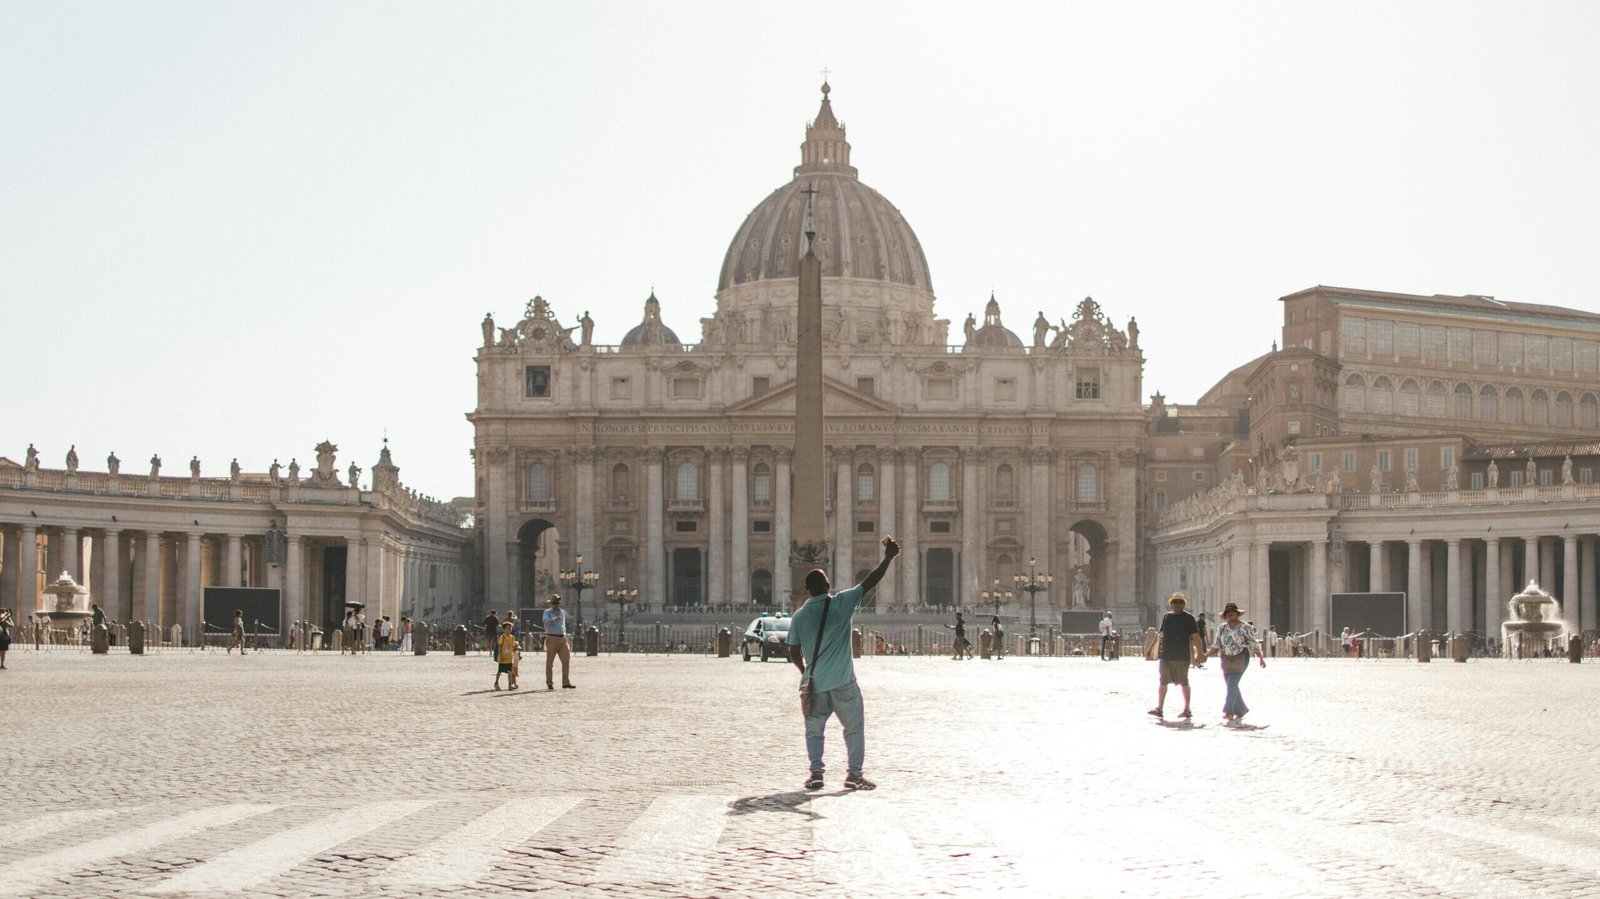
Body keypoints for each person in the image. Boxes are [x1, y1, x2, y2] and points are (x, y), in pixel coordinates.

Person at [787, 534, 900, 792]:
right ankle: (854, 775)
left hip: (814, 684)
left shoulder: (799, 616)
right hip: (842, 682)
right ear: (828, 586)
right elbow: (870, 581)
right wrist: (888, 558)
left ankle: (816, 774)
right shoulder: (842, 603)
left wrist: (805, 671)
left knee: (814, 732)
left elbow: (793, 650)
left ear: (807, 589)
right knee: (853, 728)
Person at [1207, 602, 1266, 724]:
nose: (1230, 614)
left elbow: (1252, 643)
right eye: (1227, 613)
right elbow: (1217, 645)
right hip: (1226, 659)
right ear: (1225, 615)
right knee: (1231, 685)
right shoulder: (1222, 628)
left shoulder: (1245, 627)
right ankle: (1241, 709)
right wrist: (1205, 656)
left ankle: (1228, 712)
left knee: (1232, 684)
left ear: (1237, 613)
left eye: (1232, 612)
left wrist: (1260, 658)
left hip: (1241, 658)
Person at [1149, 592, 1202, 720]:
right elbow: (1160, 634)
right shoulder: (1167, 617)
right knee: (1162, 681)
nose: (1177, 604)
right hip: (1166, 656)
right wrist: (1151, 649)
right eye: (1175, 602)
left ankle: (1187, 708)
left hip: (1182, 656)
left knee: (1184, 682)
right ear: (1171, 604)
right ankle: (1159, 708)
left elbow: (1195, 636)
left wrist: (1199, 653)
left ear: (1184, 604)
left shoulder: (1189, 618)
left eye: (1180, 602)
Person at [542, 595, 575, 689]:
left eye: (557, 603)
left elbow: (563, 625)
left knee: (566, 660)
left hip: (563, 638)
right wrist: (553, 619)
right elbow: (545, 621)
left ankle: (566, 682)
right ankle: (549, 683)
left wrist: (565, 634)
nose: (555, 605)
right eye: (554, 603)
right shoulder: (547, 612)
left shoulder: (562, 612)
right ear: (551, 604)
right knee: (550, 662)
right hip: (552, 638)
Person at [493, 620, 518, 690]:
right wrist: (500, 656)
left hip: (509, 658)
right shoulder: (502, 637)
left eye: (511, 628)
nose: (510, 629)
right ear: (504, 629)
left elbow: (513, 647)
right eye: (508, 628)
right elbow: (499, 647)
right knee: (500, 671)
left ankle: (510, 684)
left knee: (509, 671)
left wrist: (516, 653)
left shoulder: (512, 637)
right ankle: (496, 683)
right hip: (502, 657)